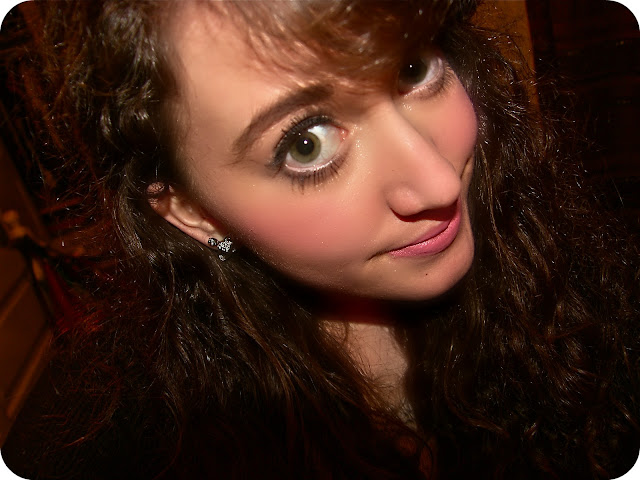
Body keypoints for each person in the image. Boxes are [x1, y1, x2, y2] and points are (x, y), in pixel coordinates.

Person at [2, 0, 639, 478]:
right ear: (194, 214)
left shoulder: (580, 283)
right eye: (306, 144)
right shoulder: (113, 449)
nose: (440, 182)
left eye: (413, 68)